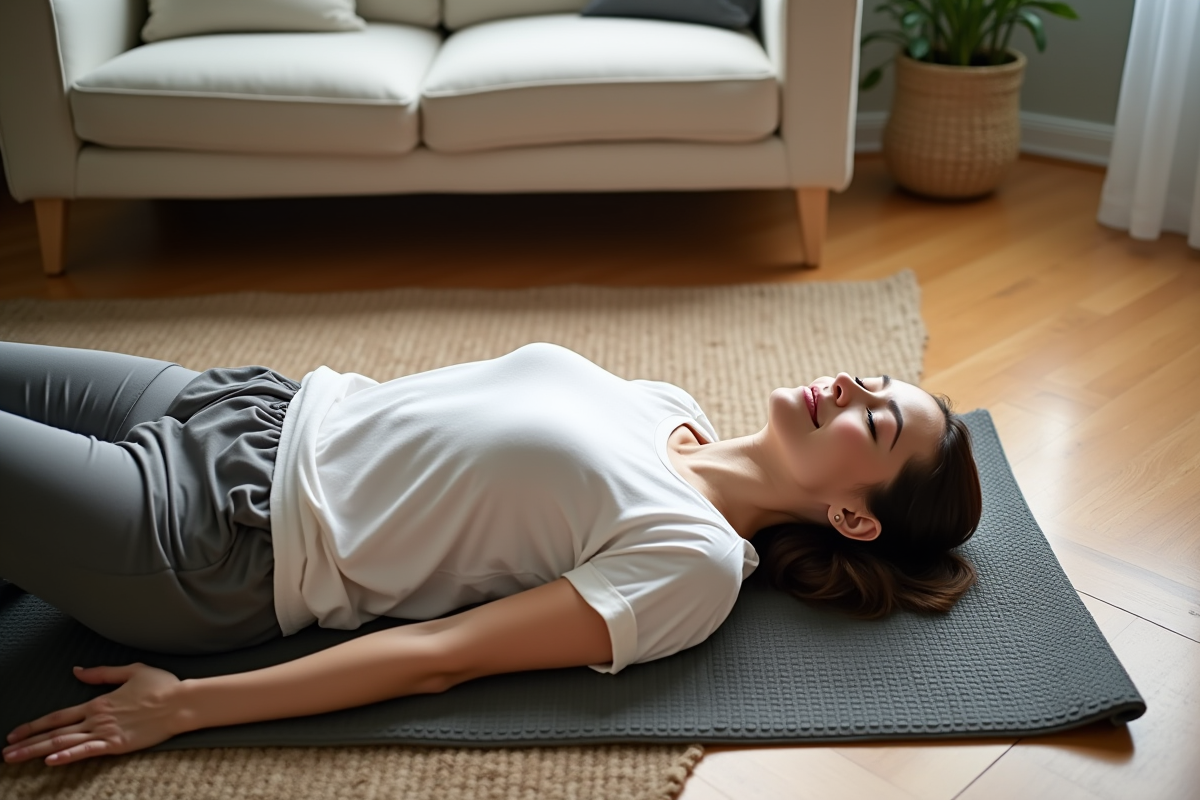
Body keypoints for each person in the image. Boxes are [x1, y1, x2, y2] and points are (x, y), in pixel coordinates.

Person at [1, 340, 981, 767]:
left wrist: (184, 705)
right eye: (871, 379)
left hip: (208, 537)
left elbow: (444, 656)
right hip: (250, 404)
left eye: (874, 419)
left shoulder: (694, 562)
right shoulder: (669, 406)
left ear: (854, 518)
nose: (849, 385)